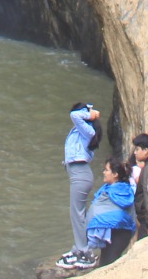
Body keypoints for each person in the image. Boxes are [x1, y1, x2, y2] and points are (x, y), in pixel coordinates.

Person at [59, 103, 101, 266]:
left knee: (77, 213)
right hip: (77, 175)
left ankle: (84, 252)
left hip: (80, 175)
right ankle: (78, 248)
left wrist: (90, 113)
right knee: (77, 213)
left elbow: (75, 115)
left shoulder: (88, 131)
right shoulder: (79, 130)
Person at [81, 158, 136, 266]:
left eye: (106, 170)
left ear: (115, 174)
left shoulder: (121, 191)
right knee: (104, 265)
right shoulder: (108, 189)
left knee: (108, 266)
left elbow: (121, 216)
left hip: (119, 234)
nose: (103, 172)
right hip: (110, 233)